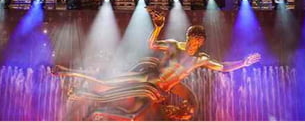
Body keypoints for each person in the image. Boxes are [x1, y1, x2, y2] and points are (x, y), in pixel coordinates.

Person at [54, 10, 261, 120]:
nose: (193, 44)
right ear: (187, 37)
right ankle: (67, 73)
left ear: (202, 43)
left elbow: (223, 67)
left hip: (158, 91)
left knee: (134, 116)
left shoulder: (201, 59)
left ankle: (96, 109)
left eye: (198, 42)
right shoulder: (173, 46)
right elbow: (152, 44)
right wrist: (158, 27)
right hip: (148, 79)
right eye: (192, 40)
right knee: (108, 83)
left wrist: (243, 63)